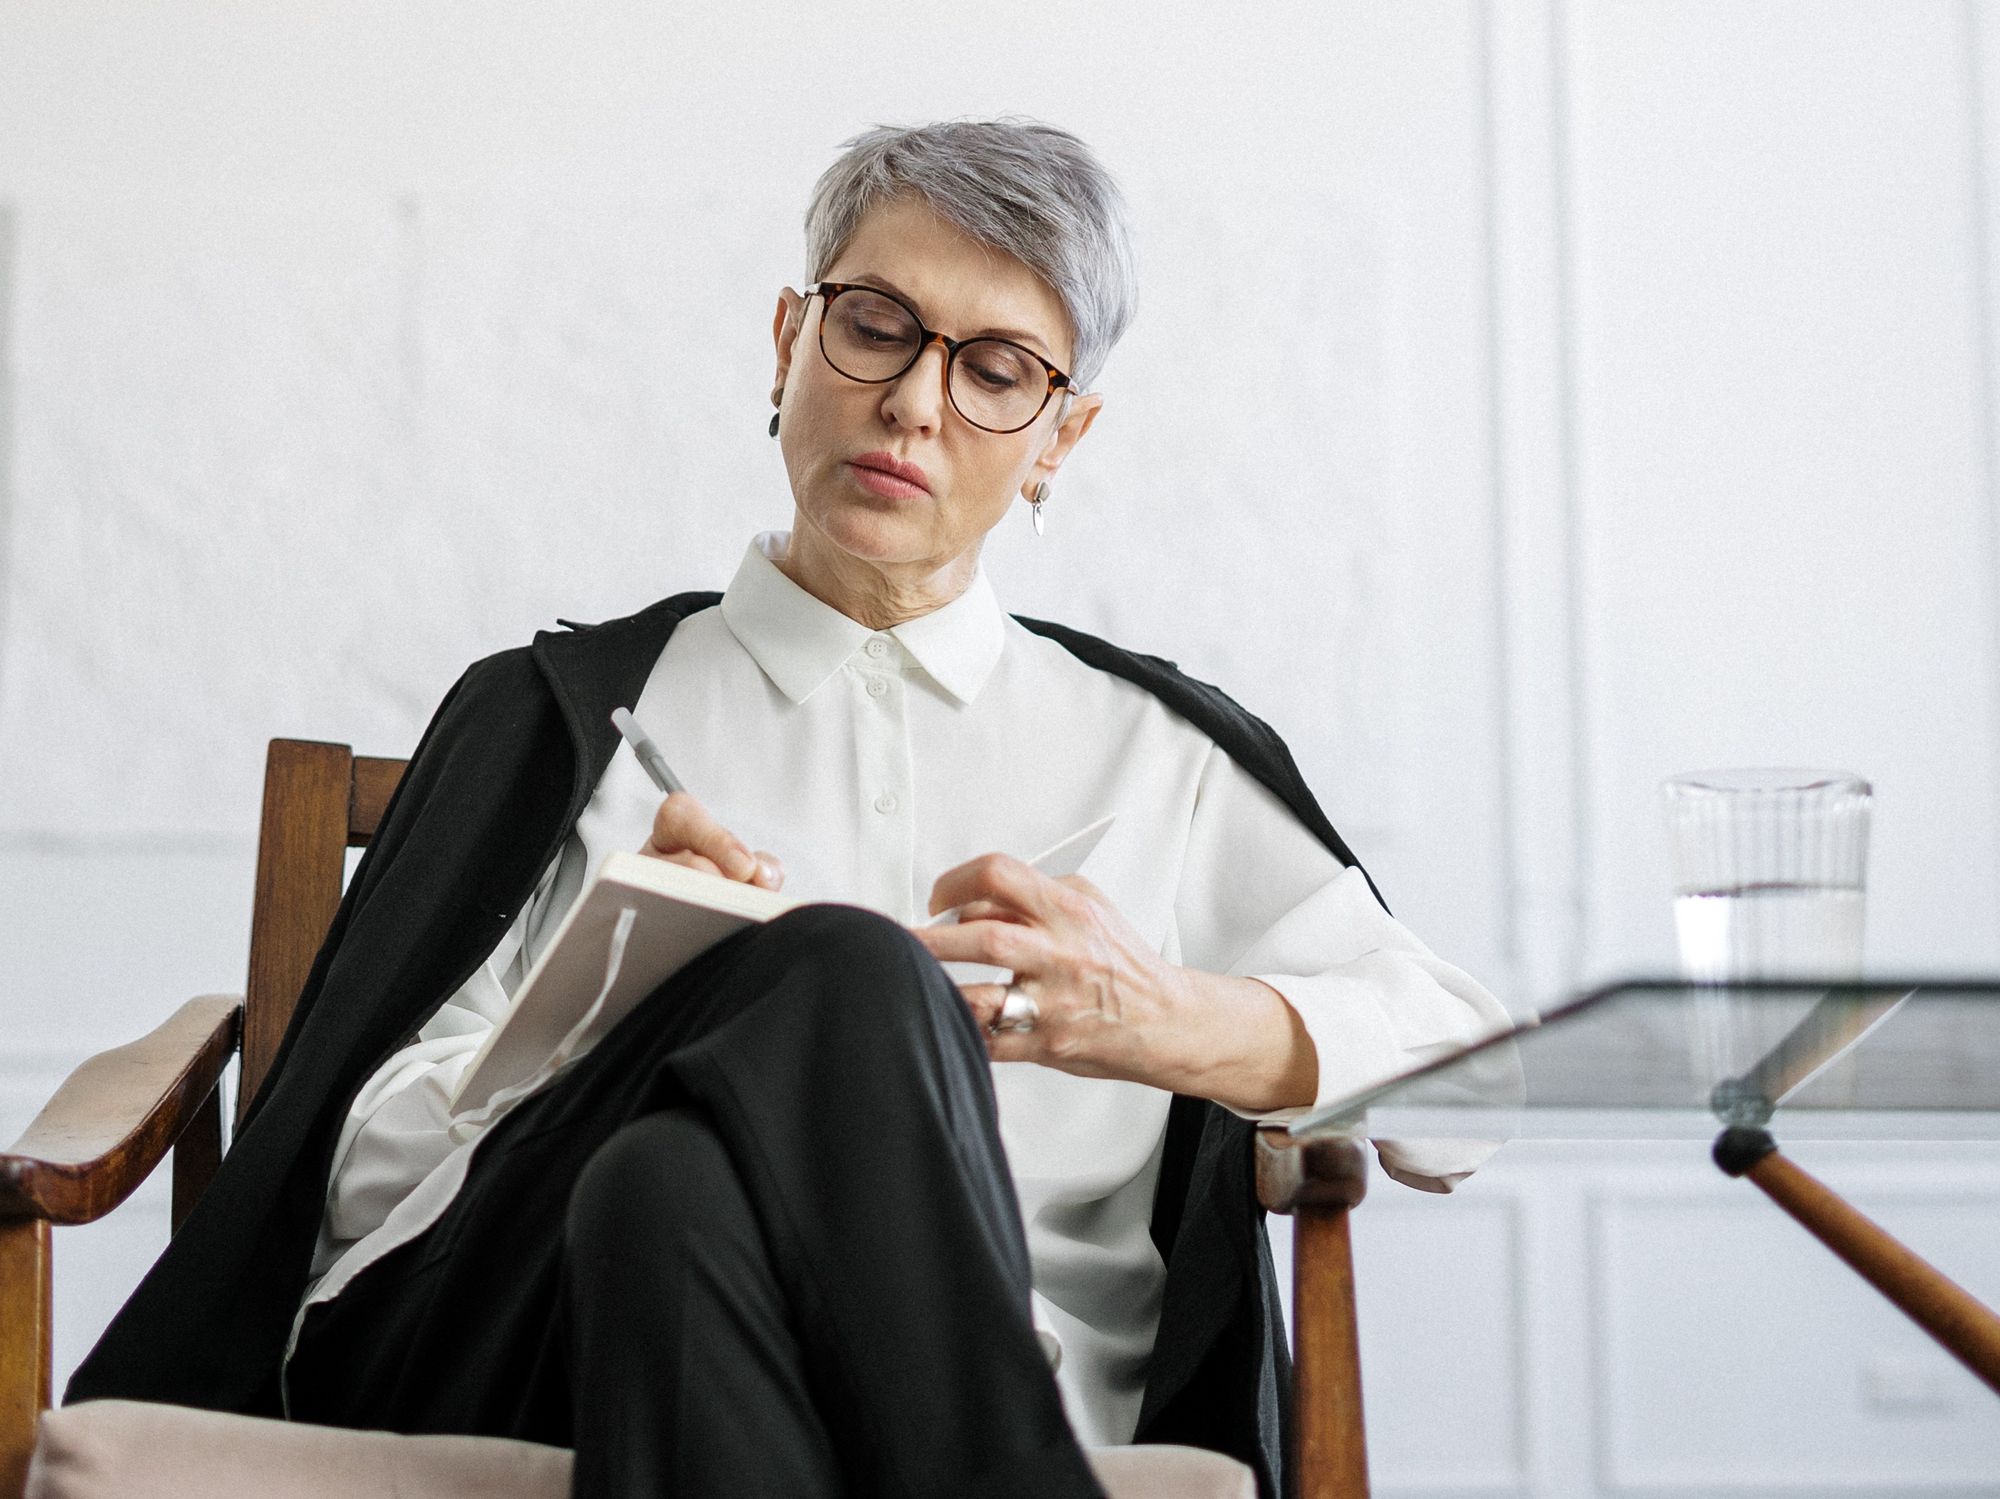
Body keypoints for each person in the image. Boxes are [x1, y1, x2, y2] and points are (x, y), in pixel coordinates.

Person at [67, 119, 1509, 1499]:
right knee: (838, 971)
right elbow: (354, 1185)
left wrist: (1170, 1020)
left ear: (1061, 436)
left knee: (671, 1195)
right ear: (789, 341)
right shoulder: (563, 721)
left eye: (998, 368)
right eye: (876, 323)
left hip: (801, 1336)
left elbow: (1478, 1093)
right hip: (502, 1337)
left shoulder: (1160, 756)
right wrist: (601, 1011)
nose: (915, 401)